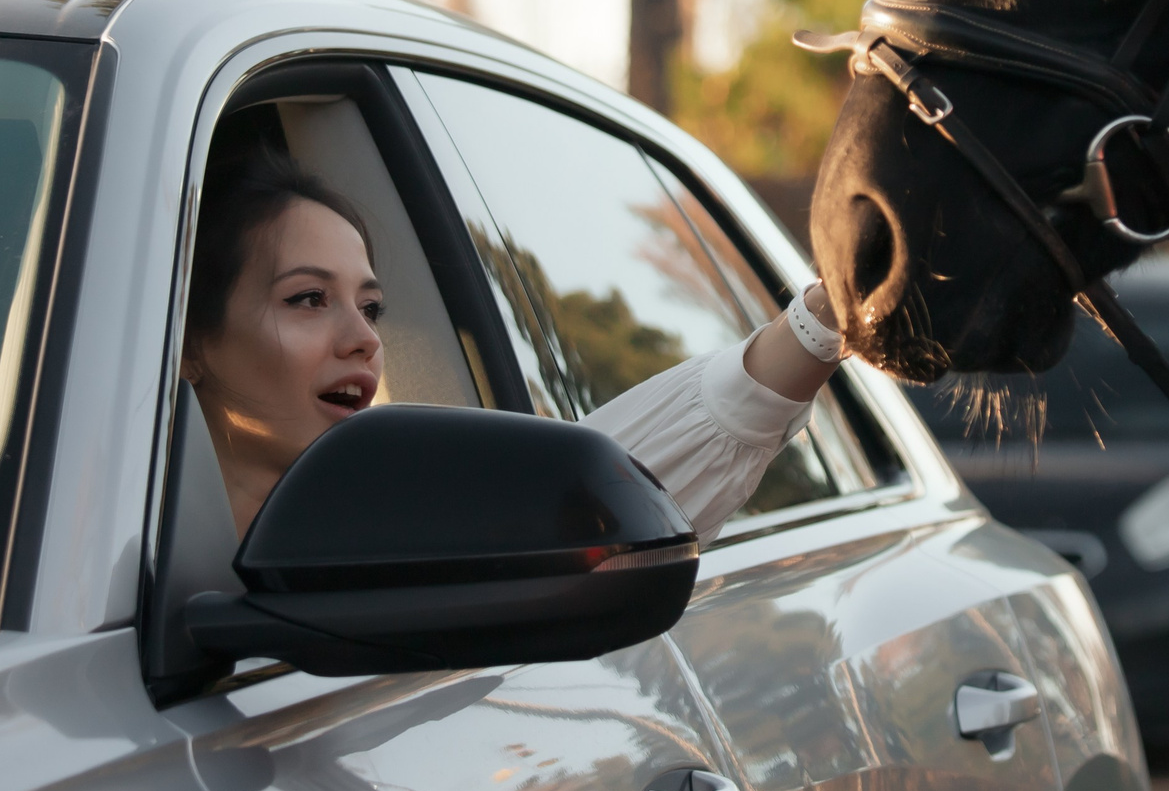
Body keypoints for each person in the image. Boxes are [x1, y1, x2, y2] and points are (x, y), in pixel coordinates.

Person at [179, 146, 845, 539]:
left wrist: (825, 314)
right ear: (188, 343)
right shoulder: (87, 562)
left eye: (373, 307)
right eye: (308, 298)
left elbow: (604, 491)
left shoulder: (419, 531)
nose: (363, 340)